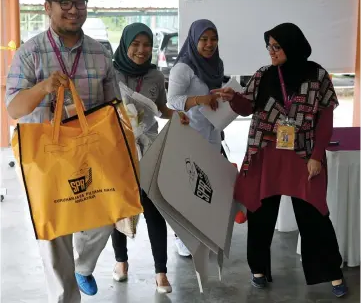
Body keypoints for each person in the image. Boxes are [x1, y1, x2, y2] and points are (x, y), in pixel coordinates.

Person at [212, 23, 347, 298]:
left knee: (315, 214)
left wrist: (317, 156)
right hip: (265, 152)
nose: (271, 52)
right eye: (269, 47)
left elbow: (325, 121)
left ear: (292, 45)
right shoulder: (263, 75)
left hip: (302, 154)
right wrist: (233, 98)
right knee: (261, 213)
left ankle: (332, 273)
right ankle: (258, 269)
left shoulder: (317, 76)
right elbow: (247, 106)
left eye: (276, 46)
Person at [6, 0, 118, 302]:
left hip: (88, 150)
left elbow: (113, 106)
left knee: (108, 212)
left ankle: (82, 265)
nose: (74, 9)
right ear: (48, 7)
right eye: (64, 2)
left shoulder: (99, 53)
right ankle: (66, 297)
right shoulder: (30, 53)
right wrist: (43, 87)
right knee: (54, 237)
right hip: (44, 156)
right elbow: (13, 108)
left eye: (80, 2)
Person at [111, 22, 189, 294]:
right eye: (135, 45)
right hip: (118, 150)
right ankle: (121, 262)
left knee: (154, 209)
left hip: (150, 149)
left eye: (146, 45)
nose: (141, 50)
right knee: (120, 209)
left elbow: (161, 108)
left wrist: (176, 114)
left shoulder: (155, 76)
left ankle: (161, 272)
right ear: (126, 45)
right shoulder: (112, 73)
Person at [167, 19, 225, 257]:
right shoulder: (183, 67)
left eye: (213, 39)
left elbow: (213, 96)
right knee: (189, 187)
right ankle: (182, 236)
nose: (209, 44)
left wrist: (224, 95)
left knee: (207, 188)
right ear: (194, 40)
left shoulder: (216, 64)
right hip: (190, 134)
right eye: (203, 39)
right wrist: (200, 100)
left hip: (213, 134)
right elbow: (172, 101)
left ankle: (203, 233)